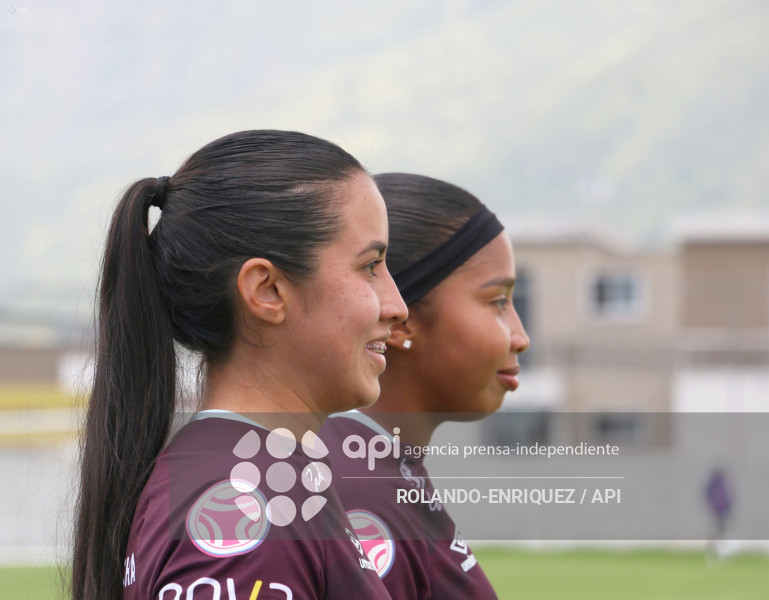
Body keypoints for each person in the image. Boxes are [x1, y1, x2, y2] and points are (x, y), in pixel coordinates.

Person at [71, 130, 408, 600]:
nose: (396, 305)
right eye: (370, 266)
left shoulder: (253, 475)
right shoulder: (252, 504)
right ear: (266, 291)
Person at [321, 173, 530, 600]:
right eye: (498, 302)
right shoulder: (357, 488)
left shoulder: (374, 467)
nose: (520, 337)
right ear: (403, 319)